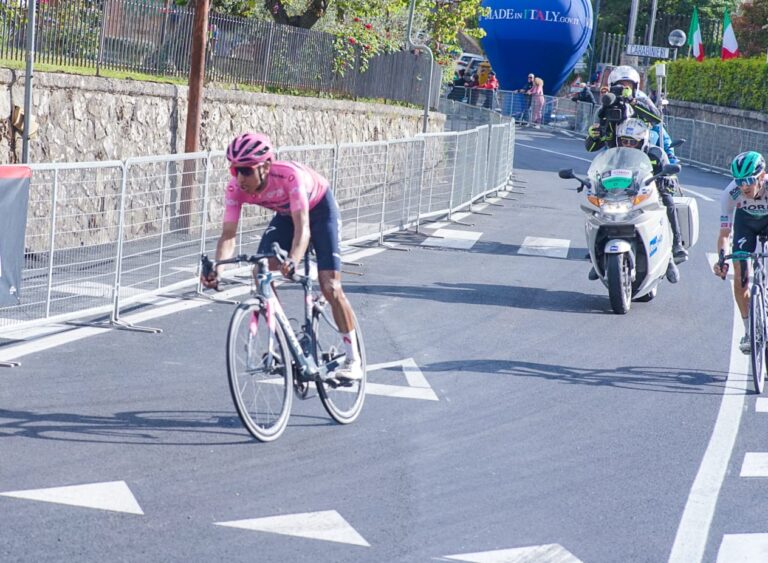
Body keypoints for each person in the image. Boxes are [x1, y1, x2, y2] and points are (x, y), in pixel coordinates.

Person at [201, 132, 363, 381]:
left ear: (265, 166)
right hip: (286, 214)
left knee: (330, 286)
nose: (240, 177)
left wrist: (293, 261)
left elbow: (303, 229)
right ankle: (286, 343)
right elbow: (228, 235)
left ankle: (354, 359)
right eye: (235, 170)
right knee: (260, 270)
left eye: (246, 169)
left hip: (318, 210)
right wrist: (217, 269)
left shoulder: (289, 176)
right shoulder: (235, 188)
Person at [714, 151, 768, 354]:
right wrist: (721, 258)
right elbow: (725, 233)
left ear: (762, 176)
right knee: (740, 279)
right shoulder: (731, 193)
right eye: (739, 181)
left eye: (748, 180)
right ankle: (748, 331)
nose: (743, 186)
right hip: (745, 224)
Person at [617, 118, 688, 264]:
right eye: (625, 141)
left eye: (633, 142)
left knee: (667, 200)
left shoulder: (656, 153)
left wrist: (668, 180)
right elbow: (605, 171)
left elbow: (668, 171)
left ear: (642, 142)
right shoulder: (617, 156)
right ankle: (598, 250)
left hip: (651, 193)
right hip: (625, 193)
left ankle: (676, 244)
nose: (628, 145)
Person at [585, 65, 662, 152]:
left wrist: (632, 101)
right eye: (620, 85)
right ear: (612, 86)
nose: (623, 88)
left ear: (635, 87)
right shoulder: (604, 110)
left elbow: (657, 118)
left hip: (641, 155)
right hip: (615, 156)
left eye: (628, 85)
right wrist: (593, 137)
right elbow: (590, 148)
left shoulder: (642, 100)